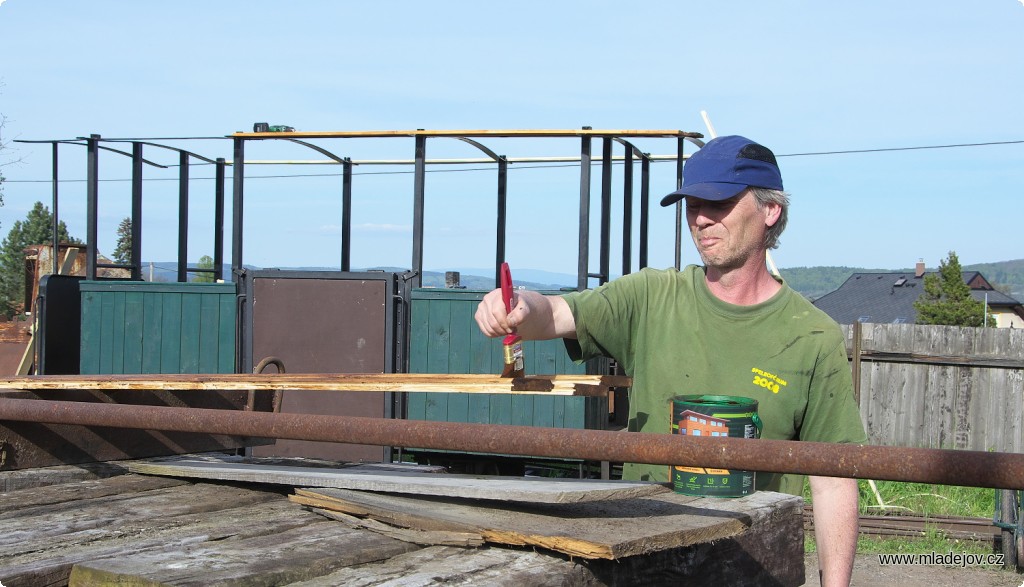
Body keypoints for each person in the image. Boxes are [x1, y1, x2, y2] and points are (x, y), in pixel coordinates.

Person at [474, 135, 867, 586]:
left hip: (752, 571)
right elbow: (560, 312)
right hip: (641, 565)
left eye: (718, 203)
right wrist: (519, 305)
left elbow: (834, 480)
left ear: (770, 211)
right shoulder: (652, 297)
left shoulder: (811, 335)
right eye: (692, 204)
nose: (700, 219)